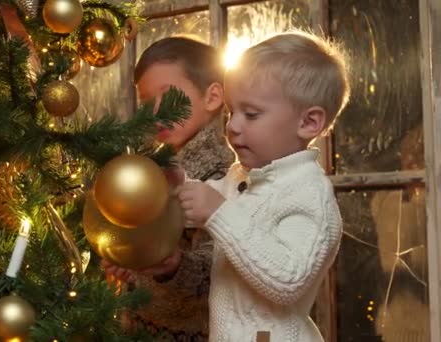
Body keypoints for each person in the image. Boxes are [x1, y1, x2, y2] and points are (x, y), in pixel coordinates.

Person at [175, 31, 350, 341]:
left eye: (251, 114)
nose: (232, 126)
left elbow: (288, 280)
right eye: (230, 112)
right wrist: (176, 183)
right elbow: (199, 205)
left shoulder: (309, 195)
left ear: (309, 123)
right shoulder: (242, 177)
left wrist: (217, 212)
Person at [102, 36, 235, 340]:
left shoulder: (222, 174)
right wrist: (126, 260)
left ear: (212, 97)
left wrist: (174, 266)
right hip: (140, 326)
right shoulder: (148, 167)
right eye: (146, 101)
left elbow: (220, 268)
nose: (156, 112)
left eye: (169, 96)